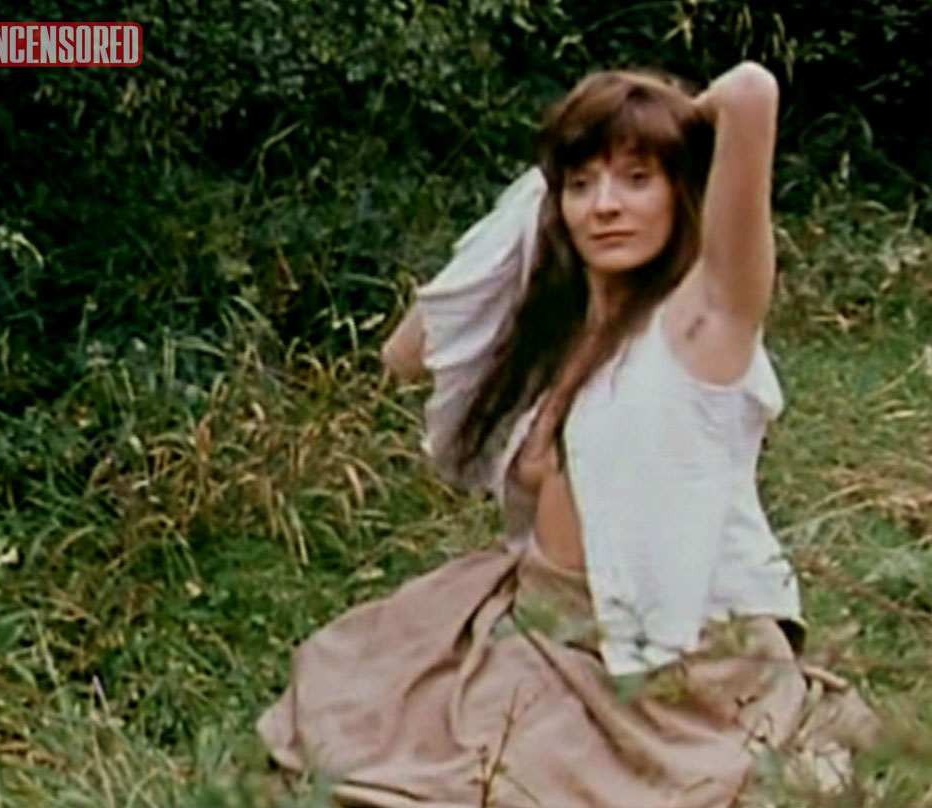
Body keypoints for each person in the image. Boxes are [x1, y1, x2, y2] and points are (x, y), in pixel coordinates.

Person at [258, 62, 879, 807]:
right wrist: (544, 186)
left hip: (668, 661)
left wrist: (671, 121)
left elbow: (751, 91)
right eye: (582, 185)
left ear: (681, 191)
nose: (605, 207)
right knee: (359, 692)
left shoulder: (703, 325)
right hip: (545, 618)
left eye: (637, 179)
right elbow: (404, 354)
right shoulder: (556, 334)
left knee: (507, 786)